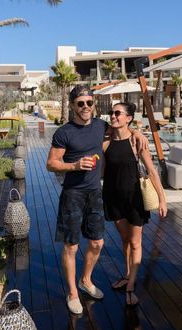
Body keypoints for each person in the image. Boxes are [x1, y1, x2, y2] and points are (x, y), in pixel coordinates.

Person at [46, 85, 146, 315]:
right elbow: (51, 163)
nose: (85, 107)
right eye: (80, 103)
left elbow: (124, 129)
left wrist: (139, 132)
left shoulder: (101, 126)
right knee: (71, 246)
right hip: (72, 194)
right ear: (73, 105)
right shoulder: (64, 132)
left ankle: (86, 280)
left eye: (89, 103)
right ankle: (72, 292)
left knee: (97, 243)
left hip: (94, 193)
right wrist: (73, 165)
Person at [102, 102, 167, 306]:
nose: (113, 116)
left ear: (128, 118)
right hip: (112, 197)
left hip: (135, 199)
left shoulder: (136, 142)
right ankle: (128, 274)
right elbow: (102, 171)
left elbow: (152, 172)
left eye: (118, 113)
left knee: (136, 242)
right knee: (125, 239)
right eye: (112, 113)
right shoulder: (105, 142)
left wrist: (162, 199)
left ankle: (131, 286)